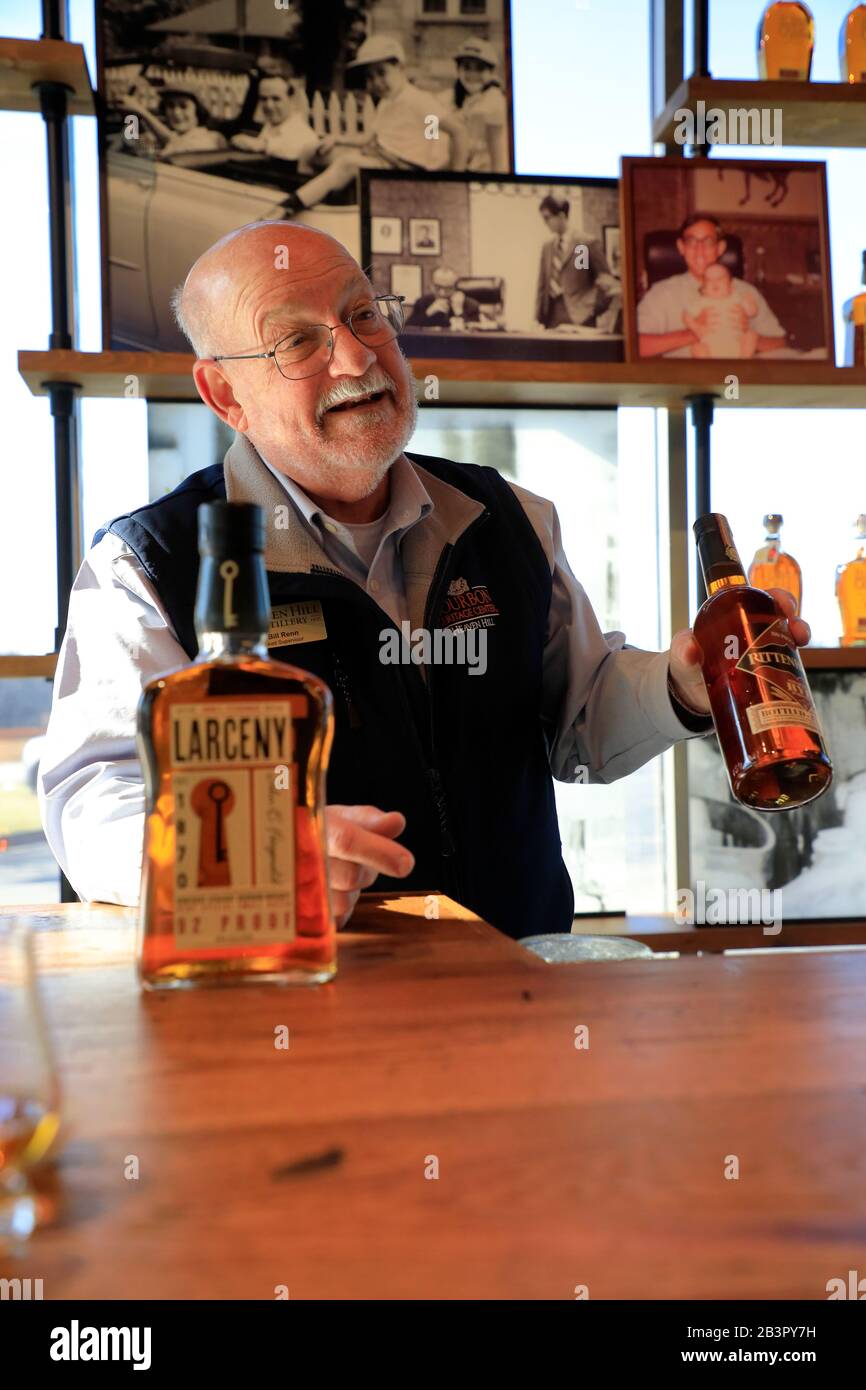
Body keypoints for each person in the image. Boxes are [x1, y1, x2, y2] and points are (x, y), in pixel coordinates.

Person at [37, 222, 811, 939]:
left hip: (521, 983)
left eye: (363, 315)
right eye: (298, 342)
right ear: (225, 395)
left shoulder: (509, 518)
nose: (357, 357)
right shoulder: (147, 561)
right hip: (294, 998)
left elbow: (582, 721)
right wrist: (262, 853)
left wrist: (683, 683)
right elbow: (91, 800)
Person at [280, 36, 468, 216]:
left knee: (348, 163)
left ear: (399, 67)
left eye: (381, 73)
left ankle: (291, 205)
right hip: (383, 161)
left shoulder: (419, 101)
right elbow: (369, 137)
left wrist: (455, 182)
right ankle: (311, 202)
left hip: (406, 170)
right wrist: (336, 139)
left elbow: (457, 133)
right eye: (370, 77)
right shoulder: (387, 103)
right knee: (314, 151)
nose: (376, 82)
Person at [637, 212, 787, 359]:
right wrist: (694, 333)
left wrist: (749, 335)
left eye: (708, 242)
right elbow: (636, 345)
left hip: (736, 376)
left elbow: (780, 342)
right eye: (691, 241)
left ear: (720, 248)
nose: (700, 250)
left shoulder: (745, 291)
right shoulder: (662, 293)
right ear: (681, 247)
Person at [535, 195, 620, 330]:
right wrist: (538, 317)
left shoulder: (583, 244)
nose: (545, 222)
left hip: (580, 317)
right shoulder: (548, 247)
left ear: (561, 216)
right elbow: (542, 285)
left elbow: (606, 282)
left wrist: (592, 311)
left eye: (547, 218)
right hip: (551, 317)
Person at [444, 36, 508, 172]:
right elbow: (430, 122)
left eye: (479, 69)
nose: (472, 74)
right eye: (466, 68)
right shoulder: (451, 97)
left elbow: (498, 159)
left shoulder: (494, 100)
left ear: (491, 72)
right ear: (458, 70)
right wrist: (431, 134)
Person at [230, 74, 319, 164]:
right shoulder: (270, 126)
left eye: (276, 99)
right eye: (263, 99)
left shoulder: (303, 132)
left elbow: (301, 147)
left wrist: (262, 145)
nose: (269, 106)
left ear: (291, 100)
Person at [123, 86, 227, 159]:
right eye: (171, 106)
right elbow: (141, 149)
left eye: (183, 106)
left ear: (198, 110)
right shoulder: (168, 136)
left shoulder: (212, 138)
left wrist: (141, 111)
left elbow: (176, 144)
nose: (176, 113)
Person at [682, 261, 760, 358]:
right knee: (697, 348)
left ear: (731, 286)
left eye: (720, 278)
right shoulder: (702, 301)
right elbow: (686, 315)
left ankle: (743, 361)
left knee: (751, 335)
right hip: (710, 349)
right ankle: (710, 368)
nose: (715, 282)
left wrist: (750, 303)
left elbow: (752, 312)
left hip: (737, 346)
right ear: (704, 288)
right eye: (709, 280)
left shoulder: (736, 297)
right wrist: (696, 327)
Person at [405, 266, 487, 329]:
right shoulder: (422, 302)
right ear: (431, 286)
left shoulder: (471, 305)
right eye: (437, 287)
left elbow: (475, 336)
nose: (442, 293)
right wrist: (427, 313)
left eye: (448, 288)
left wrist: (459, 312)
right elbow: (407, 330)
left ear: (456, 287)